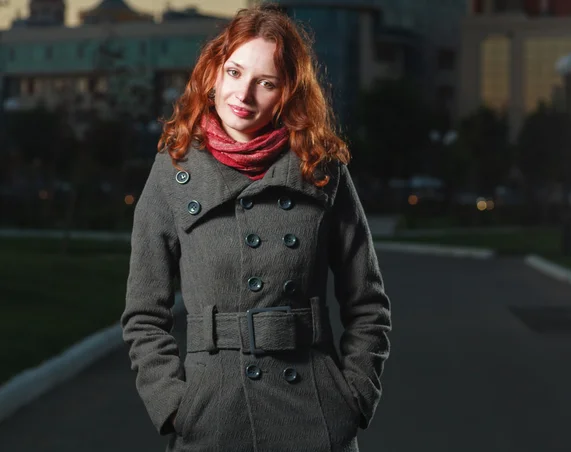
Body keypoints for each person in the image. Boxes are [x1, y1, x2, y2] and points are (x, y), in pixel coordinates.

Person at [121, 4, 392, 451]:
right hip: (212, 419)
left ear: (288, 92)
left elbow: (368, 304)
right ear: (213, 73)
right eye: (234, 72)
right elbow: (144, 314)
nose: (243, 95)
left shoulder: (323, 173)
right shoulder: (172, 173)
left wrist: (355, 398)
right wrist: (173, 406)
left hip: (315, 415)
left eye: (265, 82)